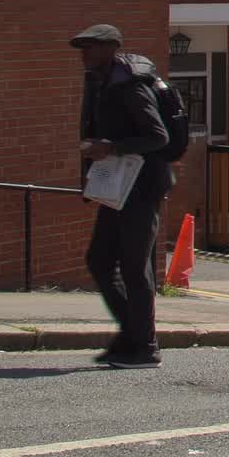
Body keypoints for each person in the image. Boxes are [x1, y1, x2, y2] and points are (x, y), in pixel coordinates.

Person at [74, 24, 172, 369]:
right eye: (82, 48)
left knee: (134, 266)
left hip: (143, 188)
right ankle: (132, 335)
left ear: (112, 47)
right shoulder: (100, 82)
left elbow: (157, 137)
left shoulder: (130, 85)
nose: (84, 54)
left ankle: (145, 347)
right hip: (117, 186)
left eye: (91, 47)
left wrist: (110, 148)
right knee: (100, 260)